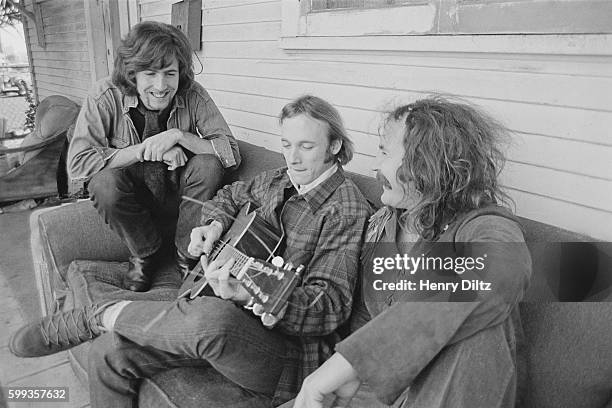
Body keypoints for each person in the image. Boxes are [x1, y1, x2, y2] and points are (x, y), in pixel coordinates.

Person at [10, 95, 372, 408]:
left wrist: (250, 292)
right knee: (110, 353)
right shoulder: (276, 179)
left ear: (335, 146)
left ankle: (97, 314)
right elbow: (228, 197)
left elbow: (328, 306)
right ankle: (110, 322)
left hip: (284, 352)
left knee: (212, 319)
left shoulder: (346, 210)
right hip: (222, 309)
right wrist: (213, 225)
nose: (293, 157)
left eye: (306, 146)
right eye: (286, 145)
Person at [292, 97, 532, 408]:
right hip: (372, 395)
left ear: (425, 163)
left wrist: (356, 360)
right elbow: (361, 324)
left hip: (445, 391)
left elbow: (499, 274)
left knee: (483, 324)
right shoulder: (383, 226)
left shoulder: (484, 225)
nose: (376, 166)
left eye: (385, 152)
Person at [67, 21, 241, 292]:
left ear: (180, 72)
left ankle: (187, 256)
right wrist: (143, 149)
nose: (161, 86)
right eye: (150, 74)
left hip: (178, 196)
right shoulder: (104, 96)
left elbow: (230, 153)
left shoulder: (193, 94)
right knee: (103, 183)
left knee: (209, 164)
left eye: (170, 73)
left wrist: (179, 137)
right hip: (133, 201)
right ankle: (145, 254)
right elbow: (78, 164)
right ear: (131, 73)